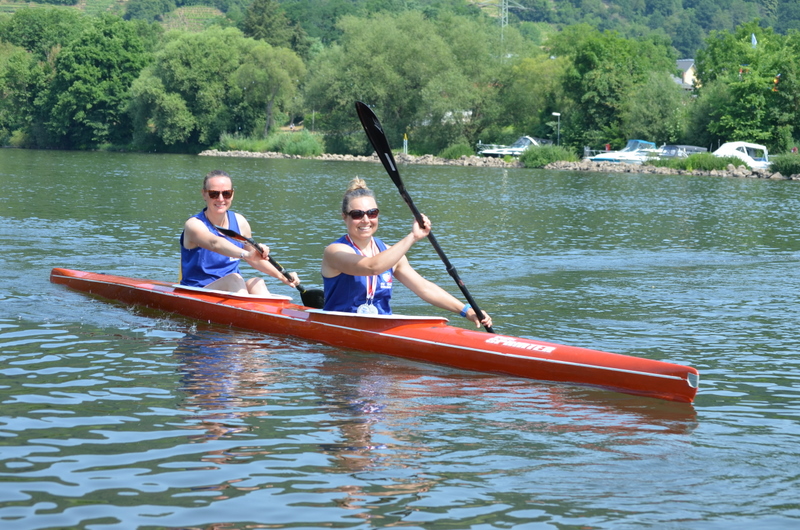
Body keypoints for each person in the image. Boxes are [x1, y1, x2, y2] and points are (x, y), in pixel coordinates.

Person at [321, 177, 492, 328]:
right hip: (340, 327)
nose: (366, 220)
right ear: (344, 216)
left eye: (372, 213)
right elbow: (371, 267)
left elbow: (424, 288)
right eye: (357, 214)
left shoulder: (391, 253)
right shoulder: (335, 251)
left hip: (381, 328)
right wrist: (412, 237)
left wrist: (466, 310)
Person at [180, 170, 300, 295]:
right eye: (214, 194)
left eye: (226, 193)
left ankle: (266, 314)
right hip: (197, 291)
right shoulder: (194, 225)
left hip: (232, 289)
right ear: (204, 194)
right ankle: (248, 312)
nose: (221, 199)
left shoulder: (240, 221)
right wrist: (245, 254)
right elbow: (215, 243)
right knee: (235, 279)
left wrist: (282, 276)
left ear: (232, 194)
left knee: (258, 282)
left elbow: (254, 258)